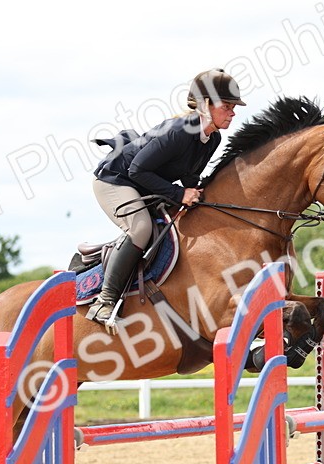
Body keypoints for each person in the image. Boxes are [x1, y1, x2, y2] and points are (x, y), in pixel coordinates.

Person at [87, 68, 247, 326]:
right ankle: (104, 301)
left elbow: (190, 176)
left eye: (233, 107)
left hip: (145, 183)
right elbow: (136, 169)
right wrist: (179, 194)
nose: (233, 112)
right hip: (115, 180)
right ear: (206, 105)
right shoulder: (179, 131)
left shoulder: (212, 137)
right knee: (141, 228)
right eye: (227, 106)